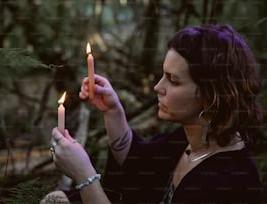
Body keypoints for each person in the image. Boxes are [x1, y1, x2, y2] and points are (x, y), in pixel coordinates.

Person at [41, 24, 263, 204]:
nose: (158, 87)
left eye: (173, 80)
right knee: (56, 200)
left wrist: (85, 177)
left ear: (212, 95)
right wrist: (112, 111)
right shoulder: (189, 140)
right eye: (162, 75)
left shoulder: (227, 181)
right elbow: (140, 165)